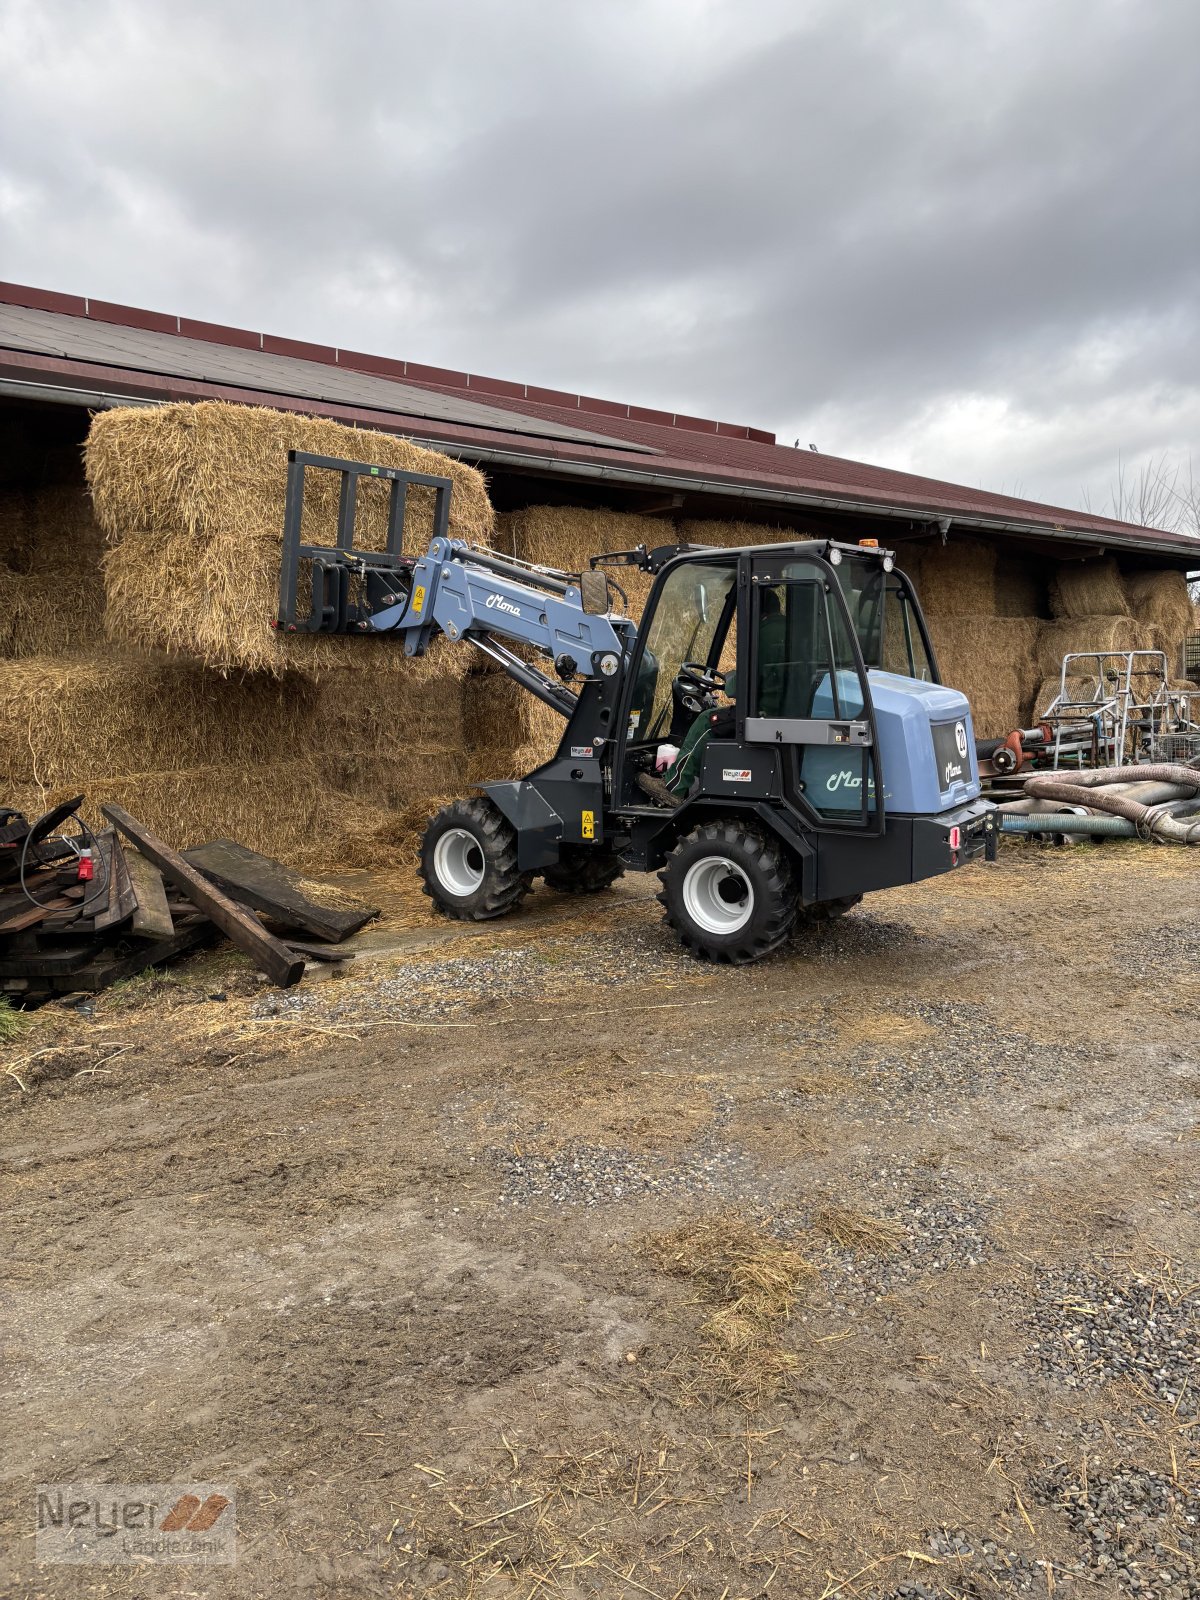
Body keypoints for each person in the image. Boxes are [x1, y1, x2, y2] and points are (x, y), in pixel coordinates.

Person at [637, 589, 787, 806]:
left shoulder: (761, 636)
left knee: (706, 722)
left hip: (762, 714)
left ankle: (673, 787)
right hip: (779, 711)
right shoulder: (789, 632)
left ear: (755, 609)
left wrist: (730, 678)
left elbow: (735, 689)